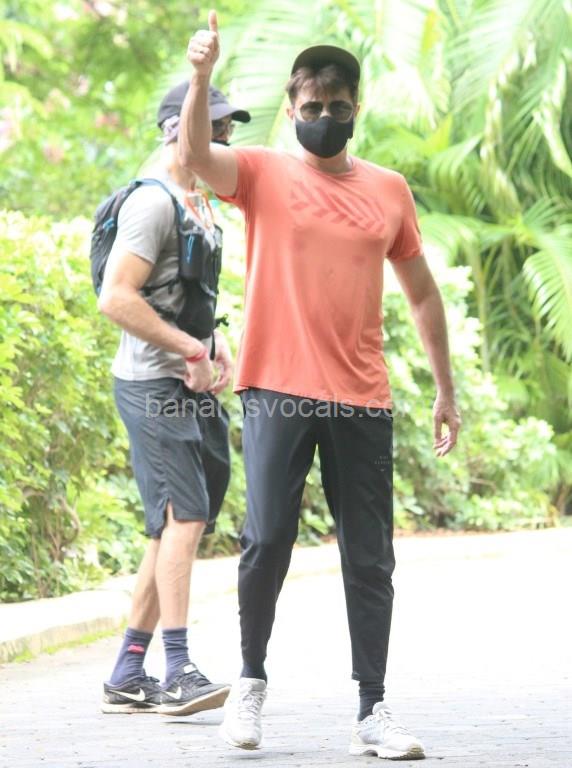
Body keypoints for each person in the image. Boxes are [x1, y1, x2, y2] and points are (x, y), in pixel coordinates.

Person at [180, 9, 461, 760]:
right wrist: (202, 75)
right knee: (267, 539)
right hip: (277, 387)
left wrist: (445, 389)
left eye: (338, 106)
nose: (325, 117)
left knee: (370, 558)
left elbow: (423, 294)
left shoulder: (389, 191)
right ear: (292, 106)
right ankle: (250, 684)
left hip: (362, 397)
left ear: (356, 107)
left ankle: (373, 709)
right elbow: (196, 155)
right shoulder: (263, 172)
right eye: (312, 106)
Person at [97, 83, 250, 716]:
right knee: (184, 515)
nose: (225, 140)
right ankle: (179, 667)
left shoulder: (199, 201)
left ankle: (128, 671)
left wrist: (215, 344)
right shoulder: (152, 204)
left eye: (226, 129)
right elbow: (116, 297)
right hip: (151, 385)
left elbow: (188, 296)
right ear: (175, 130)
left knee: (178, 521)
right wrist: (190, 349)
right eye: (213, 128)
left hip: (188, 380)